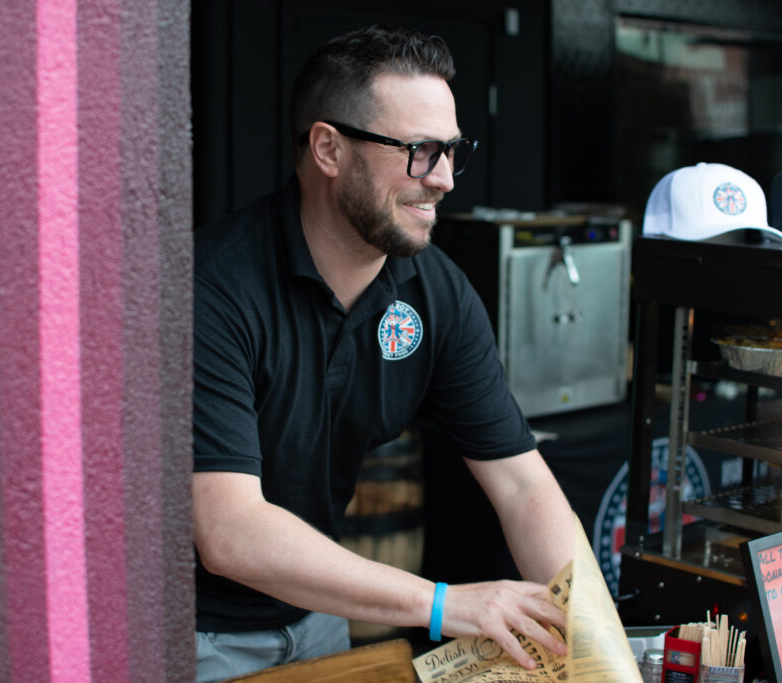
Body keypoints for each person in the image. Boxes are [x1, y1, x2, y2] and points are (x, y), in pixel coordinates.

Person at [191, 24, 579, 682]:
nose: (447, 179)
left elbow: (522, 483)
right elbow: (230, 532)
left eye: (455, 151)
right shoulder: (213, 288)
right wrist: (443, 604)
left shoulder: (437, 293)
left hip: (319, 619)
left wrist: (594, 637)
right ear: (328, 148)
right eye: (421, 151)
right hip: (196, 632)